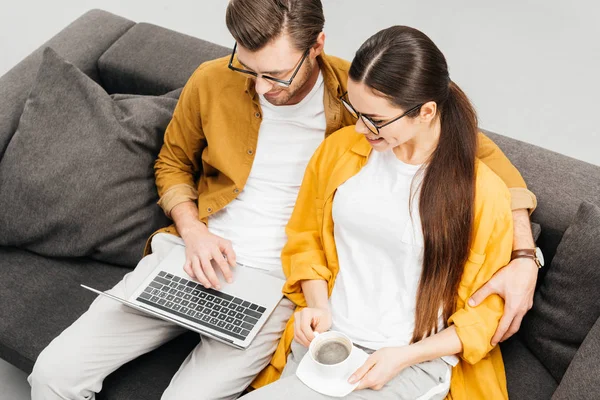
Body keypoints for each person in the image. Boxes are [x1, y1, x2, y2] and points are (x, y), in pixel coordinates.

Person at [29, 1, 537, 399]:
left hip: (276, 284)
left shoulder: (359, 96)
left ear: (316, 46)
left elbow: (473, 155)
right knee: (53, 374)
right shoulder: (215, 82)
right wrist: (193, 231)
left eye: (276, 74)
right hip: (191, 258)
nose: (259, 86)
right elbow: (171, 164)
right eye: (248, 68)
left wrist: (522, 255)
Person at [243, 25, 517, 399]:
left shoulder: (482, 194)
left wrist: (404, 356)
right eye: (356, 110)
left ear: (426, 112)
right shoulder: (340, 153)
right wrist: (318, 309)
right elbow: (304, 238)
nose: (359, 127)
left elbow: (485, 315)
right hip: (329, 344)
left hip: (412, 362)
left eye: (375, 118)